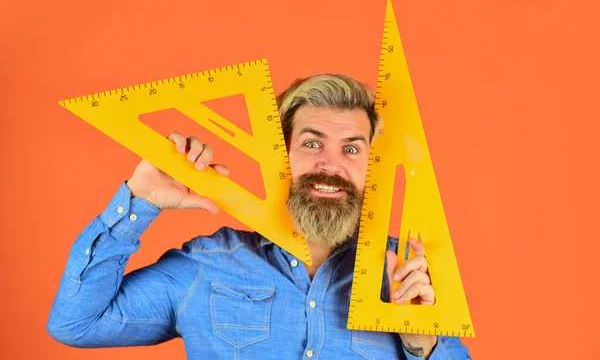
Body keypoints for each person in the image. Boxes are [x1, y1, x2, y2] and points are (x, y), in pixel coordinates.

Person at [47, 74, 472, 359]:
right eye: (311, 143)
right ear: (280, 156)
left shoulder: (408, 278)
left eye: (352, 148)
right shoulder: (208, 263)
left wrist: (423, 345)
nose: (330, 164)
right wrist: (139, 203)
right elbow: (78, 323)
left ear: (372, 164)